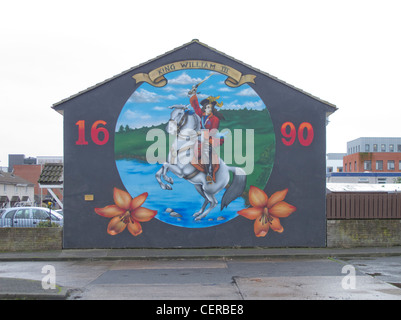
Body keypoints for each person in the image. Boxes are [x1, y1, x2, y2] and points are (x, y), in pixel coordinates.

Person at [188, 87, 225, 183]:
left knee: (206, 152)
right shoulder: (202, 115)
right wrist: (193, 94)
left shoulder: (215, 119)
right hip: (200, 137)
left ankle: (209, 173)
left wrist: (201, 132)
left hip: (211, 139)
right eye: (207, 107)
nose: (208, 109)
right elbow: (196, 106)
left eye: (210, 108)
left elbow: (213, 131)